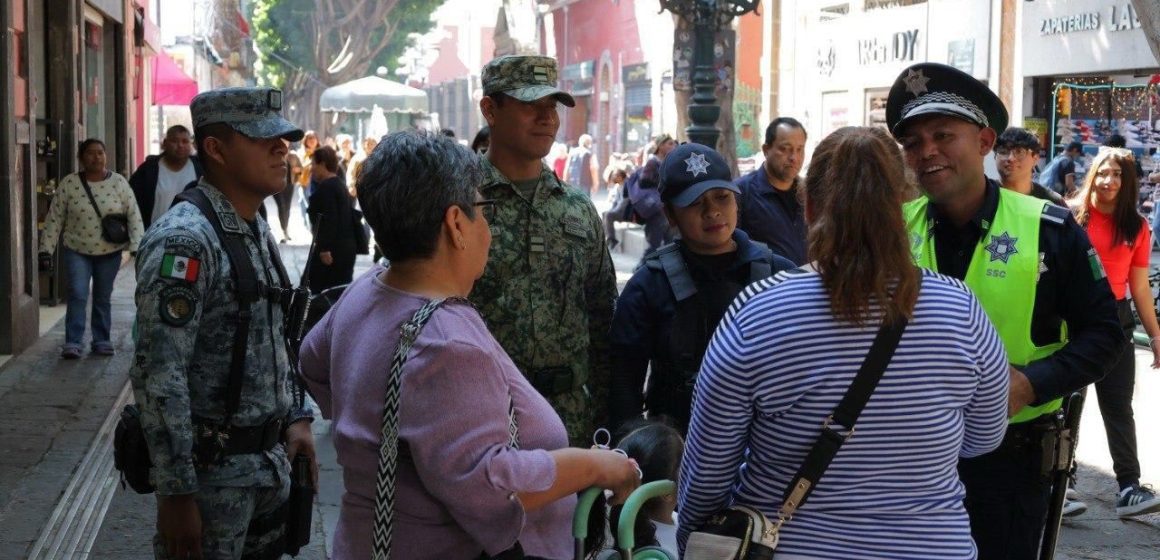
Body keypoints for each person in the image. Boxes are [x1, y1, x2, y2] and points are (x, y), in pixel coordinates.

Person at [298, 131, 639, 559]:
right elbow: (494, 488)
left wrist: (371, 432)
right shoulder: (446, 344)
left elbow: (311, 360)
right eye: (483, 209)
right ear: (457, 224)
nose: (489, 227)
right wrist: (593, 465)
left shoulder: (365, 290)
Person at [678, 126, 1010, 559]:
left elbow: (707, 473)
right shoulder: (960, 309)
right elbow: (984, 437)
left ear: (810, 206)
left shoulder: (757, 314)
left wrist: (693, 540)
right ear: (902, 205)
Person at [889, 62, 1122, 560]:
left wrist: (1032, 383)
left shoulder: (1050, 228)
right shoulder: (890, 230)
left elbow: (1104, 335)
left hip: (1008, 465)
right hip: (904, 460)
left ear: (984, 141)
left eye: (943, 135)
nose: (927, 151)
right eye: (913, 141)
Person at [129, 87, 316, 560]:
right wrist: (175, 494)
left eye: (285, 140)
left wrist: (295, 415)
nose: (282, 149)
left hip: (265, 469)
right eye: (263, 140)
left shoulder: (250, 224)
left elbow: (275, 332)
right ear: (214, 149)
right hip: (213, 480)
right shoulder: (187, 240)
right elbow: (159, 373)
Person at [472, 54, 619, 445]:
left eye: (551, 106)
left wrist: (605, 413)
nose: (547, 118)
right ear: (490, 109)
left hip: (570, 418)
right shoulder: (458, 202)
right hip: (482, 416)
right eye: (529, 105)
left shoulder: (576, 207)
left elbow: (603, 313)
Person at [608, 142, 794, 432]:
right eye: (695, 203)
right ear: (670, 215)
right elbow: (623, 388)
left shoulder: (781, 276)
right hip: (678, 448)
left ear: (736, 201)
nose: (712, 212)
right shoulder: (649, 285)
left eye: (722, 197)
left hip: (766, 451)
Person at [1067, 147, 1160, 518]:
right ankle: (1064, 484)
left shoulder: (1136, 226)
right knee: (1066, 403)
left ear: (1128, 182)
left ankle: (1129, 488)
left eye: (1119, 175)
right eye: (1104, 173)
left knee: (1118, 405)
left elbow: (1139, 287)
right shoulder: (1070, 216)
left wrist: (1154, 335)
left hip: (1116, 319)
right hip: (1071, 318)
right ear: (1093, 174)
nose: (1110, 181)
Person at [39, 138, 145, 359]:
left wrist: (137, 246)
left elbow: (133, 214)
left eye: (100, 153)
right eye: (90, 153)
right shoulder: (69, 184)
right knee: (77, 293)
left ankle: (101, 339)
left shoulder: (118, 183)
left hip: (109, 251)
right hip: (76, 249)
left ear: (106, 156)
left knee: (102, 296)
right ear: (81, 157)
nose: (96, 157)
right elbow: (54, 218)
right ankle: (73, 341)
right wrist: (45, 250)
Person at [735, 117, 808, 265]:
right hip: (765, 285)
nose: (794, 157)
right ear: (766, 150)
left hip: (806, 284)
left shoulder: (810, 193)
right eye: (785, 149)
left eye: (799, 149)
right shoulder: (741, 192)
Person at [129, 125, 204, 230]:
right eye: (174, 141)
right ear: (164, 143)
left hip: (192, 235)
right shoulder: (149, 169)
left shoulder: (201, 169)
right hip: (154, 235)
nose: (180, 145)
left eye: (185, 141)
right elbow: (132, 203)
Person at [307, 146, 357, 293]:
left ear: (322, 164)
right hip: (341, 250)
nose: (311, 168)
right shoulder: (337, 184)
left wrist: (324, 249)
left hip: (332, 253)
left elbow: (330, 220)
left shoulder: (328, 188)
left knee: (323, 294)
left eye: (313, 164)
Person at [629, 134, 679, 257]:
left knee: (669, 243)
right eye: (670, 144)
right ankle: (642, 269)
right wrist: (663, 182)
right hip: (656, 210)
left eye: (673, 143)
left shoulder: (667, 161)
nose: (673, 146)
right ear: (661, 146)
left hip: (665, 209)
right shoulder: (653, 162)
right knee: (654, 245)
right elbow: (644, 181)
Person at [995, 127, 1064, 206]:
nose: (1010, 158)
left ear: (1035, 158)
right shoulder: (982, 196)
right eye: (1003, 151)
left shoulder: (1051, 202)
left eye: (1019, 151)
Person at [274, 152, 301, 243]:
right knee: (281, 206)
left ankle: (286, 230)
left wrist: (298, 170)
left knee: (287, 207)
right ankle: (283, 231)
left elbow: (300, 168)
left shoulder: (293, 155)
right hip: (277, 184)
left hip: (289, 184)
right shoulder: (276, 154)